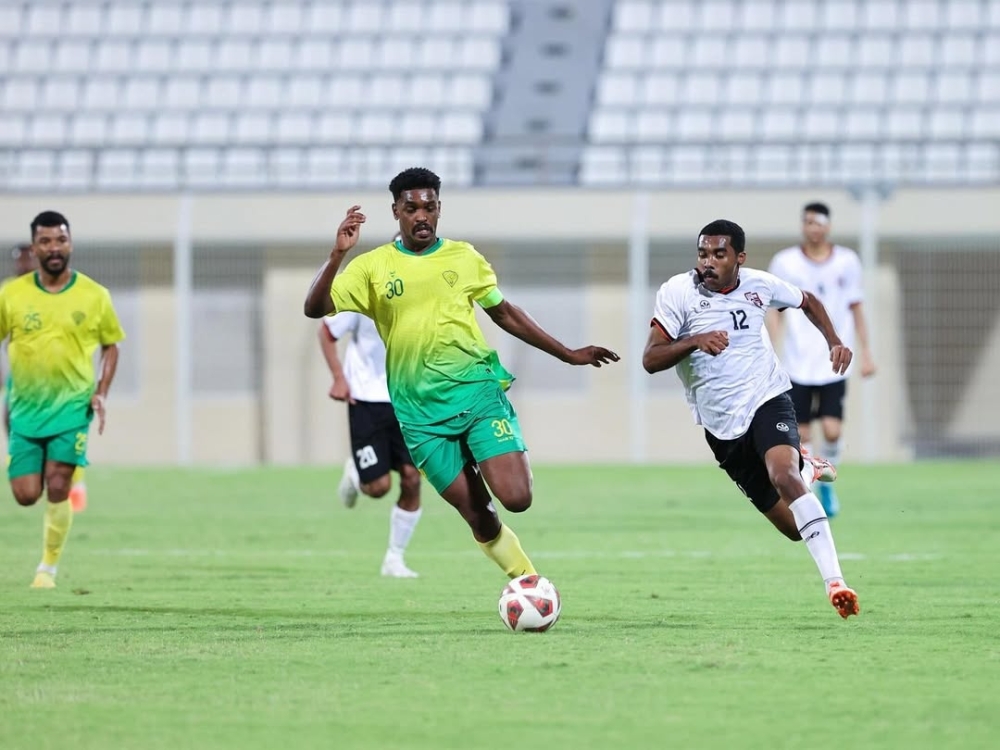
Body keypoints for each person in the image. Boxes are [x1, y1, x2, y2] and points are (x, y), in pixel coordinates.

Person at [303, 167, 619, 582]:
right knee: (481, 517)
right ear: (395, 210)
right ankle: (528, 582)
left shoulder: (464, 257)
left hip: (475, 394)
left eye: (429, 207)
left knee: (517, 499)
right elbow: (315, 308)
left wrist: (567, 353)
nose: (422, 216)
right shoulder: (372, 267)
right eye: (411, 208)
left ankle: (496, 454)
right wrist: (337, 255)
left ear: (439, 210)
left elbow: (505, 313)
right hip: (420, 416)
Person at [642, 219, 859, 619]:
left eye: (719, 254)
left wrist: (835, 341)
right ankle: (807, 466)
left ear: (739, 259)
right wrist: (693, 340)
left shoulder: (760, 285)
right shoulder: (678, 293)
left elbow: (807, 300)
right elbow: (650, 359)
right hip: (721, 427)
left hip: (767, 397)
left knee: (783, 477)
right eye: (703, 253)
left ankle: (836, 582)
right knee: (795, 528)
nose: (708, 262)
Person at [0, 211, 125, 589]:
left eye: (61, 240)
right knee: (25, 495)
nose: (54, 248)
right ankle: (37, 467)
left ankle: (47, 569)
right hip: (24, 408)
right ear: (35, 246)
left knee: (58, 485)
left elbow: (111, 346)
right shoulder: (11, 295)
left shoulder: (94, 295)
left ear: (70, 243)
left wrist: (101, 393)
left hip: (73, 407)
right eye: (46, 241)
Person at [766, 203, 876, 517]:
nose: (812, 228)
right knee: (802, 433)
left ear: (827, 226)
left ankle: (827, 480)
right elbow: (774, 309)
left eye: (817, 222)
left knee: (832, 430)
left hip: (834, 360)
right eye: (807, 222)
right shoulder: (785, 262)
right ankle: (812, 487)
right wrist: (773, 348)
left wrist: (866, 353)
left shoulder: (847, 261)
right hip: (796, 361)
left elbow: (856, 308)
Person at [318, 310, 423, 578]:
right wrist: (339, 378)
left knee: (412, 478)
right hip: (365, 400)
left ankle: (394, 558)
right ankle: (356, 472)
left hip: (407, 399)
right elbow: (327, 332)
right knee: (378, 488)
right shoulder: (361, 292)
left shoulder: (419, 289)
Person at [1, 246, 90, 513]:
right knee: (9, 419)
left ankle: (75, 487)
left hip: (56, 377)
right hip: (21, 375)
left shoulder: (57, 290)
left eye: (27, 259)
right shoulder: (8, 290)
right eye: (19, 260)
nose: (23, 265)